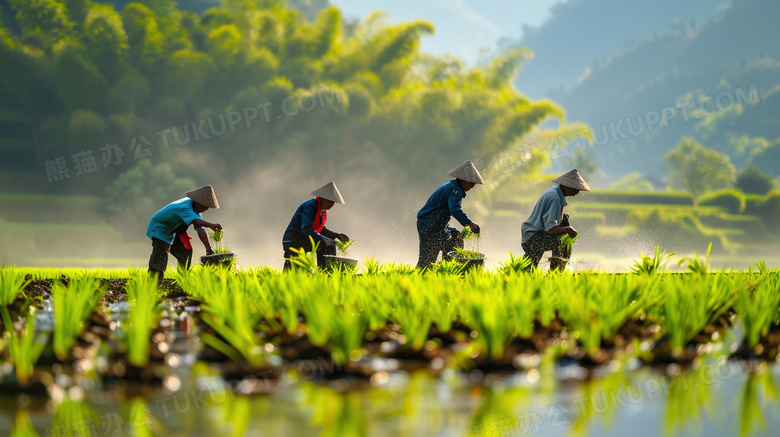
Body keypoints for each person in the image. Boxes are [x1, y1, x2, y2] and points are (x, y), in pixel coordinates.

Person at [416, 160, 484, 269]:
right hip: (429, 225)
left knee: (454, 240)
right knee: (427, 260)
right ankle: (418, 278)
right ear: (463, 180)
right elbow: (455, 209)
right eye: (471, 182)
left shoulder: (452, 187)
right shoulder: (454, 190)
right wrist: (469, 223)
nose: (473, 186)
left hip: (436, 225)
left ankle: (447, 269)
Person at [146, 185, 223, 279]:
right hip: (160, 228)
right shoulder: (185, 207)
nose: (206, 209)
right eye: (205, 206)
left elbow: (200, 228)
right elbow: (196, 222)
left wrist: (208, 249)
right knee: (161, 251)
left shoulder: (196, 210)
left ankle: (182, 278)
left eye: (208, 207)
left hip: (174, 230)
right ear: (198, 202)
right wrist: (211, 225)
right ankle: (154, 279)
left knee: (185, 252)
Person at [521, 169, 590, 270]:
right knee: (562, 241)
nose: (577, 192)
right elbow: (551, 228)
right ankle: (556, 271)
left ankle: (526, 271)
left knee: (528, 267)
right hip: (533, 237)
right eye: (575, 188)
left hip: (533, 235)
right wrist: (568, 229)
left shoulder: (554, 193)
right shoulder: (555, 198)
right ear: (567, 186)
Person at [282, 182, 350, 271]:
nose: (332, 204)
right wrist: (324, 239)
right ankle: (324, 270)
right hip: (295, 240)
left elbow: (320, 229)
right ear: (323, 198)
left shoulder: (321, 210)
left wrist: (336, 236)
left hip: (304, 239)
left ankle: (326, 271)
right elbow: (306, 229)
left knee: (329, 245)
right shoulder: (310, 206)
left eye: (333, 202)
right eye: (330, 201)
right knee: (324, 245)